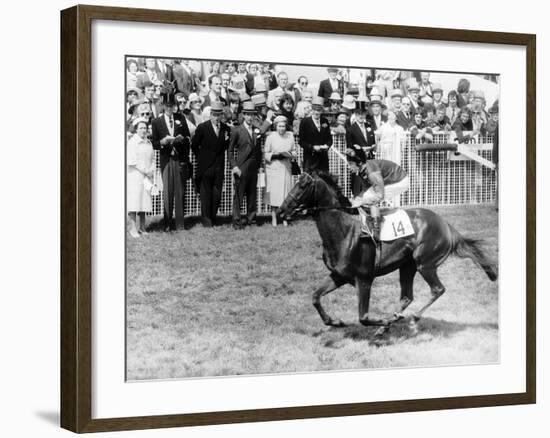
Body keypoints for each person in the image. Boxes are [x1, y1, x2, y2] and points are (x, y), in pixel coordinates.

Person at [346, 150, 410, 241]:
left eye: (350, 164)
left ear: (359, 163)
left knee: (370, 197)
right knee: (365, 197)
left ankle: (376, 230)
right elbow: (366, 189)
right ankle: (369, 221)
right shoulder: (362, 169)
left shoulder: (372, 173)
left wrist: (360, 202)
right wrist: (356, 199)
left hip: (400, 181)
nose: (349, 167)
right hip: (393, 178)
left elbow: (380, 196)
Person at [151, 95, 192, 231]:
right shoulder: (157, 122)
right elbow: (155, 143)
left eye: (171, 106)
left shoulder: (180, 118)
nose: (169, 108)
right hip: (167, 159)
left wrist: (181, 140)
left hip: (179, 158)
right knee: (168, 192)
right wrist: (163, 142)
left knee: (180, 191)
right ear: (163, 106)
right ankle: (167, 223)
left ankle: (180, 224)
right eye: (167, 106)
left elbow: (187, 137)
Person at [191, 101, 231, 227]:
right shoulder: (202, 127)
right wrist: (201, 158)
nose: (216, 117)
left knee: (217, 194)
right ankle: (206, 220)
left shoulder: (225, 129)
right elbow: (194, 145)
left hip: (219, 166)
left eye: (219, 115)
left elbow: (225, 146)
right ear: (210, 115)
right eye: (214, 115)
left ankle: (213, 217)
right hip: (205, 167)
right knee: (205, 194)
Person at [228, 102, 262, 229]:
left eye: (252, 115)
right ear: (243, 115)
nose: (250, 117)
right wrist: (235, 167)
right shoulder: (237, 130)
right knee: (239, 195)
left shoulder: (256, 130)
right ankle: (237, 222)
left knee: (252, 195)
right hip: (241, 167)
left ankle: (251, 220)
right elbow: (230, 151)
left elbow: (259, 150)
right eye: (247, 114)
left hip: (253, 167)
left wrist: (259, 165)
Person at [264, 115, 297, 227]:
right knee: (274, 195)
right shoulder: (271, 137)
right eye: (279, 126)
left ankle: (284, 218)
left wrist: (290, 155)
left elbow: (294, 151)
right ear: (275, 126)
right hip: (274, 168)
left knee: (285, 195)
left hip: (286, 168)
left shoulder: (290, 136)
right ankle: (273, 217)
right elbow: (266, 153)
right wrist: (276, 155)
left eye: (283, 126)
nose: (282, 128)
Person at [127, 118, 156, 237]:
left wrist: (151, 170)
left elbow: (153, 159)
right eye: (141, 128)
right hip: (135, 176)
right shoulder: (132, 142)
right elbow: (132, 161)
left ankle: (142, 228)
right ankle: (133, 228)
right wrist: (145, 171)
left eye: (145, 128)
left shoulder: (149, 142)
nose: (144, 130)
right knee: (134, 202)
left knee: (144, 202)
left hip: (146, 177)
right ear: (136, 129)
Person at [346, 99, 376, 196]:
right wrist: (361, 149)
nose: (361, 116)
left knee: (369, 184)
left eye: (362, 113)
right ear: (355, 114)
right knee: (358, 185)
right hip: (358, 160)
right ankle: (358, 206)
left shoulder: (369, 126)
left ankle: (368, 206)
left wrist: (372, 146)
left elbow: (373, 141)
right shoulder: (351, 129)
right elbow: (350, 146)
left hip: (369, 159)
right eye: (358, 113)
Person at [299, 96, 332, 172]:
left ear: (322, 111)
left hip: (323, 159)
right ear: (312, 109)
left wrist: (327, 146)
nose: (317, 112)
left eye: (319, 110)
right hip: (310, 158)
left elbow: (329, 139)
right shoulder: (305, 122)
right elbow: (301, 142)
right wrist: (312, 147)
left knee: (324, 181)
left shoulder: (325, 121)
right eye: (315, 109)